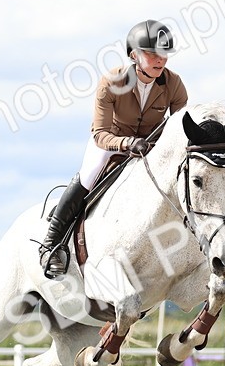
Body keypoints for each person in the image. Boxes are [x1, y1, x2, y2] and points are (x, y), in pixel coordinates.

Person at [39, 19, 189, 279]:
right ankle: (51, 243)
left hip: (151, 147)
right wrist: (128, 143)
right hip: (112, 143)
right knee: (90, 173)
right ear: (134, 55)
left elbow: (181, 127)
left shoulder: (173, 83)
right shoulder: (112, 81)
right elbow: (100, 133)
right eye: (152, 54)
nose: (160, 60)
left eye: (164, 54)